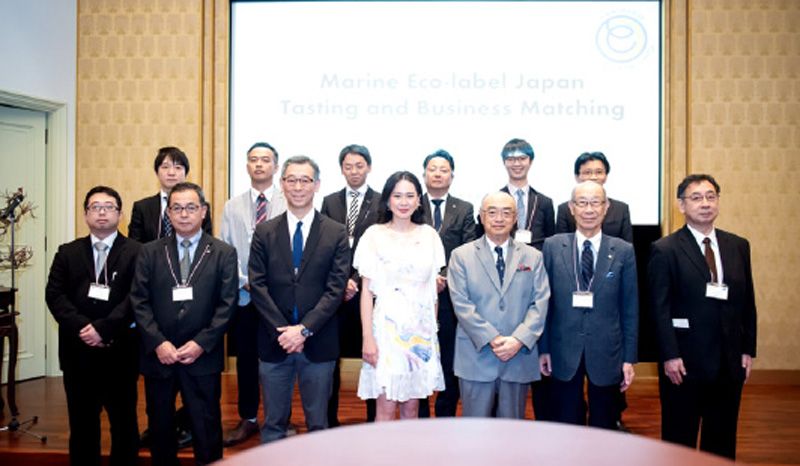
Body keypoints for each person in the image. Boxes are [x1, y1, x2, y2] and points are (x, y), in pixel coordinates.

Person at [648, 174, 757, 460]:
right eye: (696, 198)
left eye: (711, 196)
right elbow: (659, 309)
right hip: (684, 363)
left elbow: (747, 301)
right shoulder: (665, 249)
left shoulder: (738, 245)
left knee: (722, 439)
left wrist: (747, 349)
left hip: (728, 361)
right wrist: (669, 355)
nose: (705, 203)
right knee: (679, 440)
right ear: (681, 205)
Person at [131, 182, 238, 466]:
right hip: (160, 356)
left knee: (206, 424)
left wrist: (201, 343)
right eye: (177, 208)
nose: (184, 214)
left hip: (202, 355)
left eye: (191, 207)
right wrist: (158, 343)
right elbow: (139, 301)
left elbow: (227, 305)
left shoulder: (223, 252)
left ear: (203, 211)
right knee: (160, 425)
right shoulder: (150, 252)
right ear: (168, 213)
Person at [248, 155, 350, 443]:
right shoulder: (265, 231)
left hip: (318, 341)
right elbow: (258, 284)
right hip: (275, 341)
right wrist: (284, 332)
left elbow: (335, 289)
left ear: (316, 185)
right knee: (273, 425)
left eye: (305, 180)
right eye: (291, 180)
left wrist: (303, 330)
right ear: (282, 184)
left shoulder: (336, 232)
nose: (298, 187)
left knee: (318, 425)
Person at [45, 186, 140, 466]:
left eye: (109, 207)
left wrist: (105, 329)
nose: (102, 212)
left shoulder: (138, 252)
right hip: (78, 353)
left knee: (124, 424)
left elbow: (137, 296)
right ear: (86, 214)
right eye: (95, 207)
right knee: (82, 425)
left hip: (120, 352)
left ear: (120, 214)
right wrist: (85, 328)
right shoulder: (67, 252)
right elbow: (55, 295)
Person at [128, 146, 211, 449]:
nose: (171, 171)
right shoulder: (144, 210)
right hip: (157, 302)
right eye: (165, 166)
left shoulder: (201, 213)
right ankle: (161, 433)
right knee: (158, 402)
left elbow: (206, 255)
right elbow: (135, 251)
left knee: (199, 403)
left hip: (194, 311)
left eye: (177, 166)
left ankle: (186, 427)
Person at [539, 181, 639, 430]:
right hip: (562, 350)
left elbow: (630, 309)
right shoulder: (553, 247)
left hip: (607, 351)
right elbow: (544, 303)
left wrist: (629, 359)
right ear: (571, 208)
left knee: (604, 427)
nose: (589, 209)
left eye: (595, 203)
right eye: (582, 203)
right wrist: (544, 348)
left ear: (606, 207)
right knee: (566, 426)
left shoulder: (623, 251)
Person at [448, 192, 550, 418]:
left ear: (515, 218)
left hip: (517, 356)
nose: (499, 218)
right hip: (476, 354)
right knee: (475, 430)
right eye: (492, 212)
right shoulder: (461, 256)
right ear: (481, 217)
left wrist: (518, 340)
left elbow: (540, 302)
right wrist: (493, 338)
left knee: (512, 431)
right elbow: (462, 304)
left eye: (506, 213)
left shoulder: (533, 257)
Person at [354, 171, 446, 421]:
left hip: (420, 335)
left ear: (419, 200)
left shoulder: (429, 235)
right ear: (387, 200)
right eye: (397, 196)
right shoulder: (374, 235)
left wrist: (432, 335)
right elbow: (366, 293)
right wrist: (368, 338)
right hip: (386, 333)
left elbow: (432, 292)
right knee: (385, 407)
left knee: (412, 408)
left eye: (409, 195)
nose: (403, 202)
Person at [219, 142, 286, 446]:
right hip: (244, 297)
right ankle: (248, 418)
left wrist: (266, 283)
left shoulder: (289, 201)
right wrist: (246, 280)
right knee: (246, 360)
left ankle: (279, 419)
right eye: (253, 160)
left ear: (276, 166)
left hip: (277, 299)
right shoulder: (232, 206)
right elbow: (226, 249)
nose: (259, 164)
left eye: (265, 160)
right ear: (247, 165)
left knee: (279, 362)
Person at [320, 144, 381, 425]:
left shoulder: (381, 202)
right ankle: (329, 421)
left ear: (369, 167)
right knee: (331, 358)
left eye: (359, 165)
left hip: (369, 290)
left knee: (372, 357)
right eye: (348, 166)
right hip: (336, 292)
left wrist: (356, 280)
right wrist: (341, 281)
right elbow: (324, 246)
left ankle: (373, 420)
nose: (354, 171)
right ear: (341, 169)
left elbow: (378, 249)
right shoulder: (329, 202)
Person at [418, 149, 477, 418]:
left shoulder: (464, 208)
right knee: (417, 353)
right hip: (418, 294)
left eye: (444, 170)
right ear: (424, 174)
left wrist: (443, 276)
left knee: (451, 358)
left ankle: (445, 416)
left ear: (452, 176)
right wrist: (428, 277)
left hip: (451, 296)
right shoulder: (412, 204)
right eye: (433, 169)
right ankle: (419, 415)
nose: (438, 174)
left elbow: (467, 248)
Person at [128, 146, 213, 243]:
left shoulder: (199, 207)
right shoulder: (142, 208)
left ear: (186, 173)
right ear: (157, 172)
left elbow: (207, 243)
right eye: (165, 167)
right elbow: (135, 246)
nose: (171, 173)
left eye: (178, 167)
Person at [555, 152, 632, 243]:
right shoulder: (565, 209)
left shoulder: (621, 209)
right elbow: (560, 245)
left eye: (599, 172)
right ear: (577, 177)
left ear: (606, 176)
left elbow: (627, 246)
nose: (593, 177)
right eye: (587, 172)